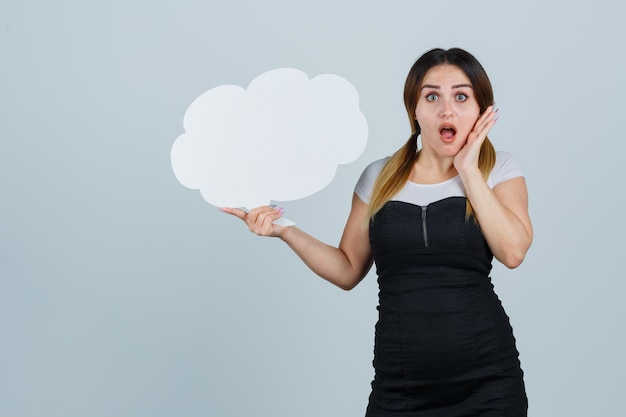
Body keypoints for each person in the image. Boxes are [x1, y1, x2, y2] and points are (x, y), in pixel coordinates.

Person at [221, 47, 533, 416]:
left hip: (488, 384)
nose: (446, 110)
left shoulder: (498, 169)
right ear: (414, 110)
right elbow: (348, 268)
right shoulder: (380, 176)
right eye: (431, 96)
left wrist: (467, 168)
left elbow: (512, 252)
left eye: (461, 97)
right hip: (400, 387)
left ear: (481, 110)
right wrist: (284, 230)